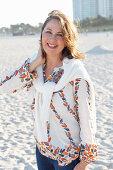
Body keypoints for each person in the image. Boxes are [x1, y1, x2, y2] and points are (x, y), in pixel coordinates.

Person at [0, 10, 97, 170]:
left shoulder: (76, 74)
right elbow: (3, 86)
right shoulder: (35, 67)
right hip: (42, 150)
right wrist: (36, 62)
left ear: (67, 40)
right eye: (49, 32)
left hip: (68, 158)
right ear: (41, 34)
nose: (52, 38)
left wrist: (84, 162)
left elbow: (87, 120)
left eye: (59, 34)